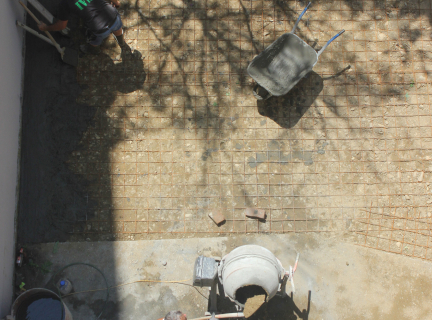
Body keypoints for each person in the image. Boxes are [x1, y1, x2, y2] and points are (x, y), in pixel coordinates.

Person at [38, 0, 126, 54]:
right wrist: (116, 2)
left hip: (100, 30)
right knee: (117, 29)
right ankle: (121, 42)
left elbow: (61, 25)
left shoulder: (65, 4)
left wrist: (46, 28)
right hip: (113, 16)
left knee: (95, 40)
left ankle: (94, 50)